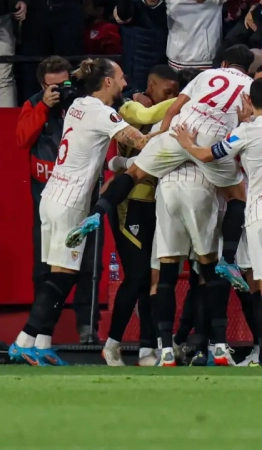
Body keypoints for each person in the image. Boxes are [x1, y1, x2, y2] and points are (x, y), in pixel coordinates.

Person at [69, 45, 258, 295]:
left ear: (223, 64)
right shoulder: (251, 87)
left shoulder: (206, 75)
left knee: (134, 174)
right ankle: (229, 260)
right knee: (237, 197)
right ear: (248, 68)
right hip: (212, 142)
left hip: (180, 130)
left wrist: (161, 135)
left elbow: (172, 109)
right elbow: (249, 126)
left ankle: (96, 213)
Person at [8, 58, 161, 366]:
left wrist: (117, 165)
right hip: (71, 203)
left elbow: (77, 87)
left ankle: (39, 343)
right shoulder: (103, 114)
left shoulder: (77, 102)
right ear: (106, 82)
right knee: (61, 279)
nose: (123, 82)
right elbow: (142, 142)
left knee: (56, 276)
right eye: (119, 77)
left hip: (51, 195)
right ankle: (23, 341)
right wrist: (173, 129)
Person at [172, 76, 262, 367]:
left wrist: (186, 142)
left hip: (258, 216)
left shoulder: (243, 133)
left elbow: (208, 154)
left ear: (248, 100)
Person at [14, 55, 105, 343]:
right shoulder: (33, 103)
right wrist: (43, 106)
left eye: (64, 83)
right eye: (52, 86)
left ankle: (88, 330)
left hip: (84, 196)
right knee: (46, 268)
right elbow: (21, 139)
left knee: (89, 266)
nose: (60, 90)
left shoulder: (83, 102)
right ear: (42, 84)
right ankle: (42, 335)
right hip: (47, 198)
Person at [101, 65, 180, 367]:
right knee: (135, 276)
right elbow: (144, 129)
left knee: (152, 277)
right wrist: (181, 103)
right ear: (151, 85)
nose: (172, 97)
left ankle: (148, 348)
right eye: (167, 92)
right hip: (129, 202)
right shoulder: (131, 108)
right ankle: (112, 345)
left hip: (156, 204)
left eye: (176, 93)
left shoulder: (170, 115)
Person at [114, 0, 168, 93]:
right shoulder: (132, 4)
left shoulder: (172, 6)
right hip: (134, 82)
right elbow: (123, 14)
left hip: (162, 80)